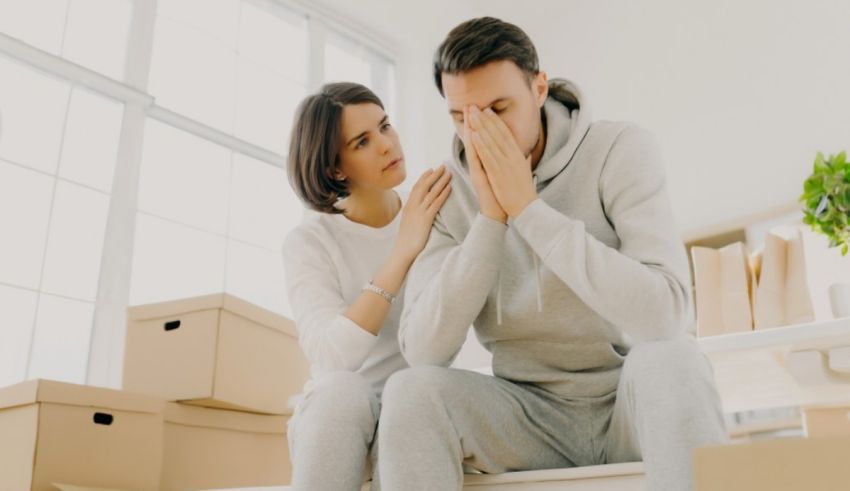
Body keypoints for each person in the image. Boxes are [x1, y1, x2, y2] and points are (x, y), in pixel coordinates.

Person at [377, 17, 727, 491]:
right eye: (462, 117)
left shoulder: (619, 148)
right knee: (410, 392)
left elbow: (665, 315)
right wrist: (491, 220)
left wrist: (529, 210)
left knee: (675, 361)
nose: (479, 133)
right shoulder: (446, 191)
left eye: (499, 108)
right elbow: (423, 351)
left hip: (626, 399)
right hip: (523, 416)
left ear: (539, 88)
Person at [282, 81, 451, 490]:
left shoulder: (433, 207)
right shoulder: (311, 241)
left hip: (413, 410)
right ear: (334, 168)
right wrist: (401, 253)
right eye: (362, 141)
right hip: (338, 421)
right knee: (342, 390)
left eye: (385, 126)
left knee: (412, 397)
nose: (387, 145)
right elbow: (331, 357)